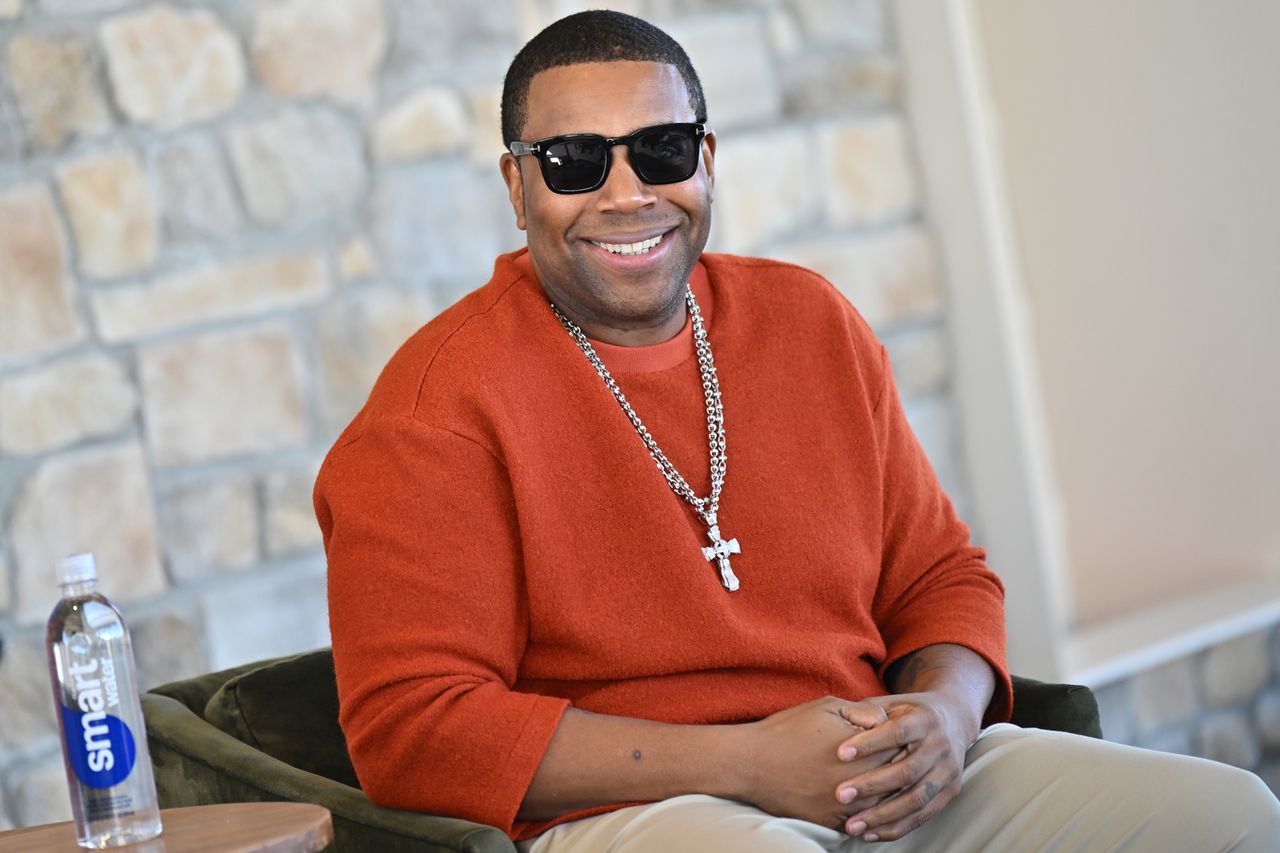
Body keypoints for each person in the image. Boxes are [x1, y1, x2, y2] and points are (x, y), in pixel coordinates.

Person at [314, 10, 1280, 851]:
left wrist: (946, 716)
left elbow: (939, 575)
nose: (627, 193)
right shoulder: (436, 408)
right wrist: (747, 762)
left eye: (662, 150)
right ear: (517, 185)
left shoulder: (810, 322)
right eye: (575, 161)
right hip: (642, 811)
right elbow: (414, 729)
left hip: (879, 772)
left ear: (707, 161)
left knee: (1229, 815)